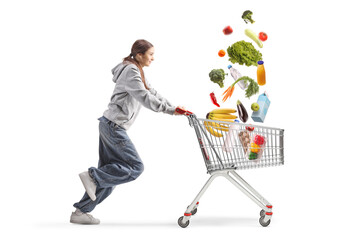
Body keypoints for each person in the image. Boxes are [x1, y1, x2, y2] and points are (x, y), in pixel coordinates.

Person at [70, 39, 185, 224]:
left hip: (110, 125)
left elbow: (151, 91)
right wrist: (170, 111)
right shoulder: (131, 71)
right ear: (139, 55)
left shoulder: (136, 69)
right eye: (151, 54)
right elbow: (144, 96)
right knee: (135, 167)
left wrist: (174, 107)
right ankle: (92, 176)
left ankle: (80, 212)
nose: (153, 58)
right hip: (114, 126)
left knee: (111, 176)